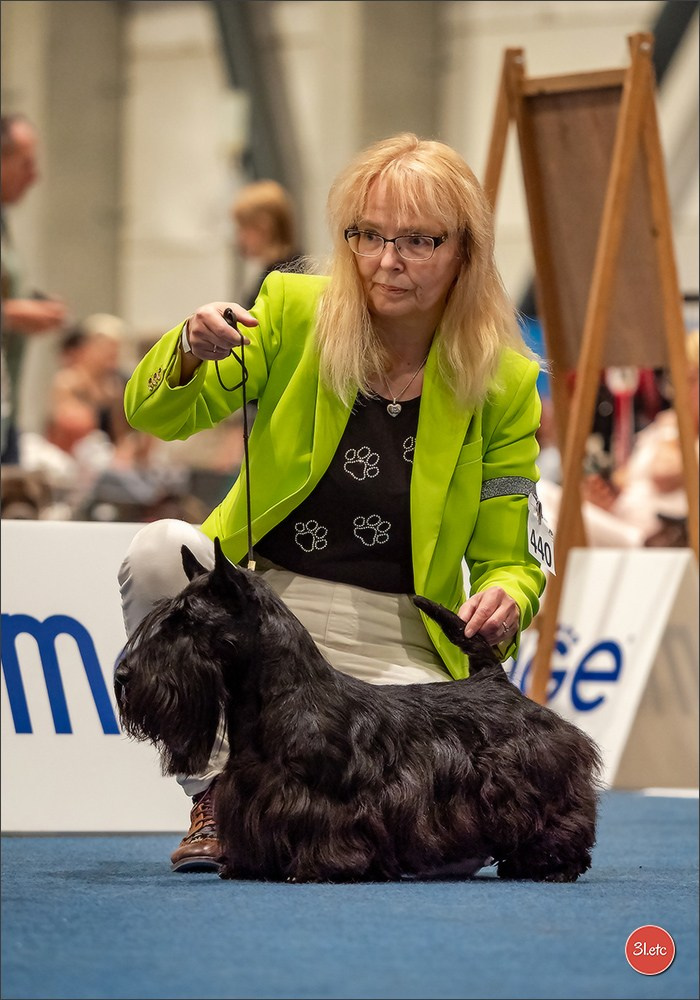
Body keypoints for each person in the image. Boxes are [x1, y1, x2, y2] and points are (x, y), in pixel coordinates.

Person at [119, 133, 547, 873]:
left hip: (400, 632)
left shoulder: (504, 382)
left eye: (419, 240)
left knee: (435, 853)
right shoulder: (289, 308)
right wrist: (189, 348)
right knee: (159, 550)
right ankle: (214, 796)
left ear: (465, 249)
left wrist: (509, 594)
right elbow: (157, 417)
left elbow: (514, 556)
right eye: (368, 235)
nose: (388, 260)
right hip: (267, 606)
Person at [1, 113, 68, 464]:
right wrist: (13, 314)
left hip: (6, 405)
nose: (34, 176)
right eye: (25, 164)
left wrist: (29, 306)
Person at [230, 178, 305, 309]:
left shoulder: (282, 279)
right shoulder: (291, 268)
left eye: (243, 227)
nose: (239, 237)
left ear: (264, 227)